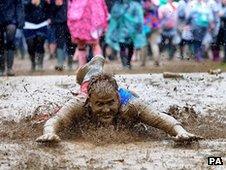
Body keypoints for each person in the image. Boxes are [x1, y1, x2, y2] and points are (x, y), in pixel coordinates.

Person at [36, 55, 202, 143]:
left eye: (110, 103)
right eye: (99, 105)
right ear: (90, 102)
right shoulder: (80, 102)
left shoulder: (130, 104)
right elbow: (56, 120)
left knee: (139, 113)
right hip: (89, 88)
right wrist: (49, 133)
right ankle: (94, 67)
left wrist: (181, 132)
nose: (106, 109)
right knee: (88, 81)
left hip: (121, 96)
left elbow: (159, 119)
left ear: (117, 98)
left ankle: (95, 69)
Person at [105, 0, 147, 69]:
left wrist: (138, 27)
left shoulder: (134, 5)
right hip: (121, 31)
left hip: (131, 31)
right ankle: (125, 64)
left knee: (130, 47)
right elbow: (114, 17)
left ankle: (128, 63)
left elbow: (139, 18)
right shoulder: (118, 5)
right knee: (123, 47)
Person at [67, 0, 108, 68]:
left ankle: (93, 68)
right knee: (89, 43)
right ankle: (85, 68)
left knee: (91, 43)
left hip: (86, 13)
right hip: (83, 13)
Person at [23, 0, 50, 71]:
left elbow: (50, 9)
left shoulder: (44, 2)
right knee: (30, 43)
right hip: (29, 24)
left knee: (40, 41)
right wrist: (30, 3)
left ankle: (40, 63)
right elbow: (22, 8)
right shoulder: (26, 2)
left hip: (42, 23)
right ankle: (33, 62)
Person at [0, 0, 24, 76]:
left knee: (10, 41)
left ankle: (9, 68)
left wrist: (20, 20)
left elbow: (19, 6)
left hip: (11, 19)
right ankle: (1, 68)